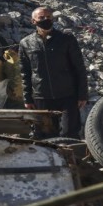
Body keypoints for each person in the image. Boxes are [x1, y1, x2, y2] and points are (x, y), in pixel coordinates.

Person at [18, 7, 88, 138]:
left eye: (49, 17)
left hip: (67, 95)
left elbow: (79, 68)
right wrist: (27, 98)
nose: (46, 19)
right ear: (33, 21)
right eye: (41, 17)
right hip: (41, 97)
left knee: (69, 133)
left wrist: (82, 95)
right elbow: (25, 72)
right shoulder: (26, 43)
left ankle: (72, 158)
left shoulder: (66, 39)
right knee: (45, 134)